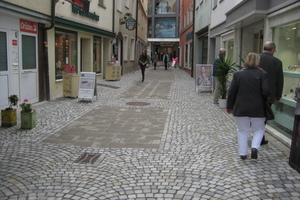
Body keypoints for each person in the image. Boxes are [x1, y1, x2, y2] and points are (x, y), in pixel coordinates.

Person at [226, 53, 270, 160]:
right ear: (258, 61)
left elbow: (232, 92)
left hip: (241, 107)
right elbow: (266, 91)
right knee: (259, 129)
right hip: (258, 107)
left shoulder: (238, 74)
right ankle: (255, 147)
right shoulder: (263, 74)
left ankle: (243, 153)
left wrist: (229, 106)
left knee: (242, 130)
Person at [259, 41, 284, 145]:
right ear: (273, 50)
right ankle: (260, 137)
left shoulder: (255, 58)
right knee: (264, 115)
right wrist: (278, 95)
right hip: (269, 94)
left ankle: (257, 135)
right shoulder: (277, 62)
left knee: (255, 114)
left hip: (254, 92)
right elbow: (279, 80)